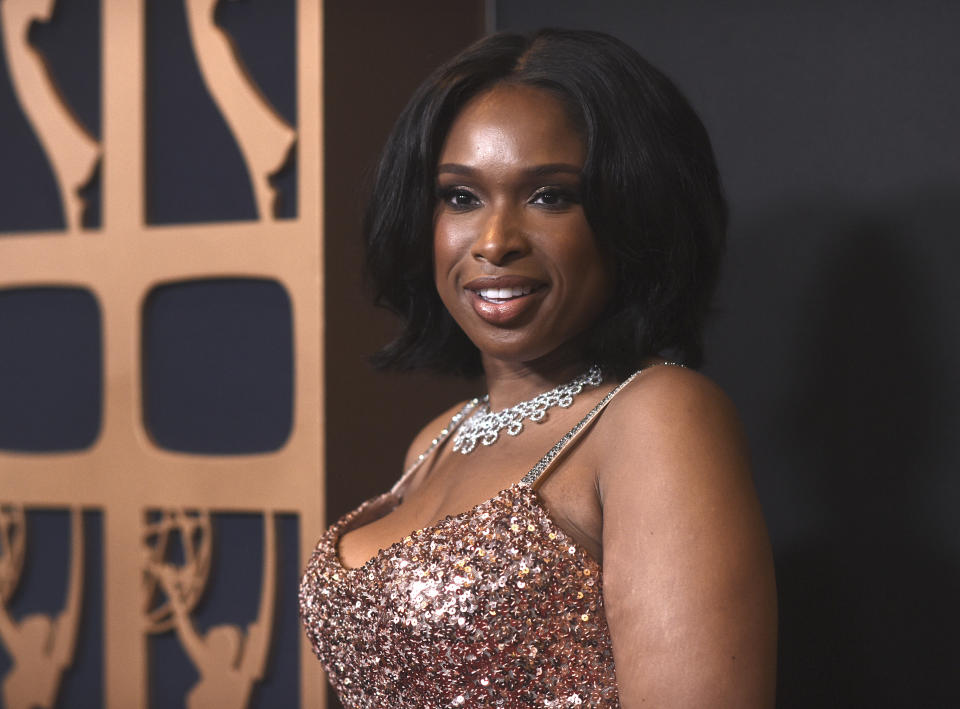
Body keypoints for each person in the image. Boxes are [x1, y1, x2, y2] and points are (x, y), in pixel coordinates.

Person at [300, 28, 776, 708]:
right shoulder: (437, 439)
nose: (495, 242)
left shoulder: (659, 415)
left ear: (633, 214)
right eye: (460, 197)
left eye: (550, 196)